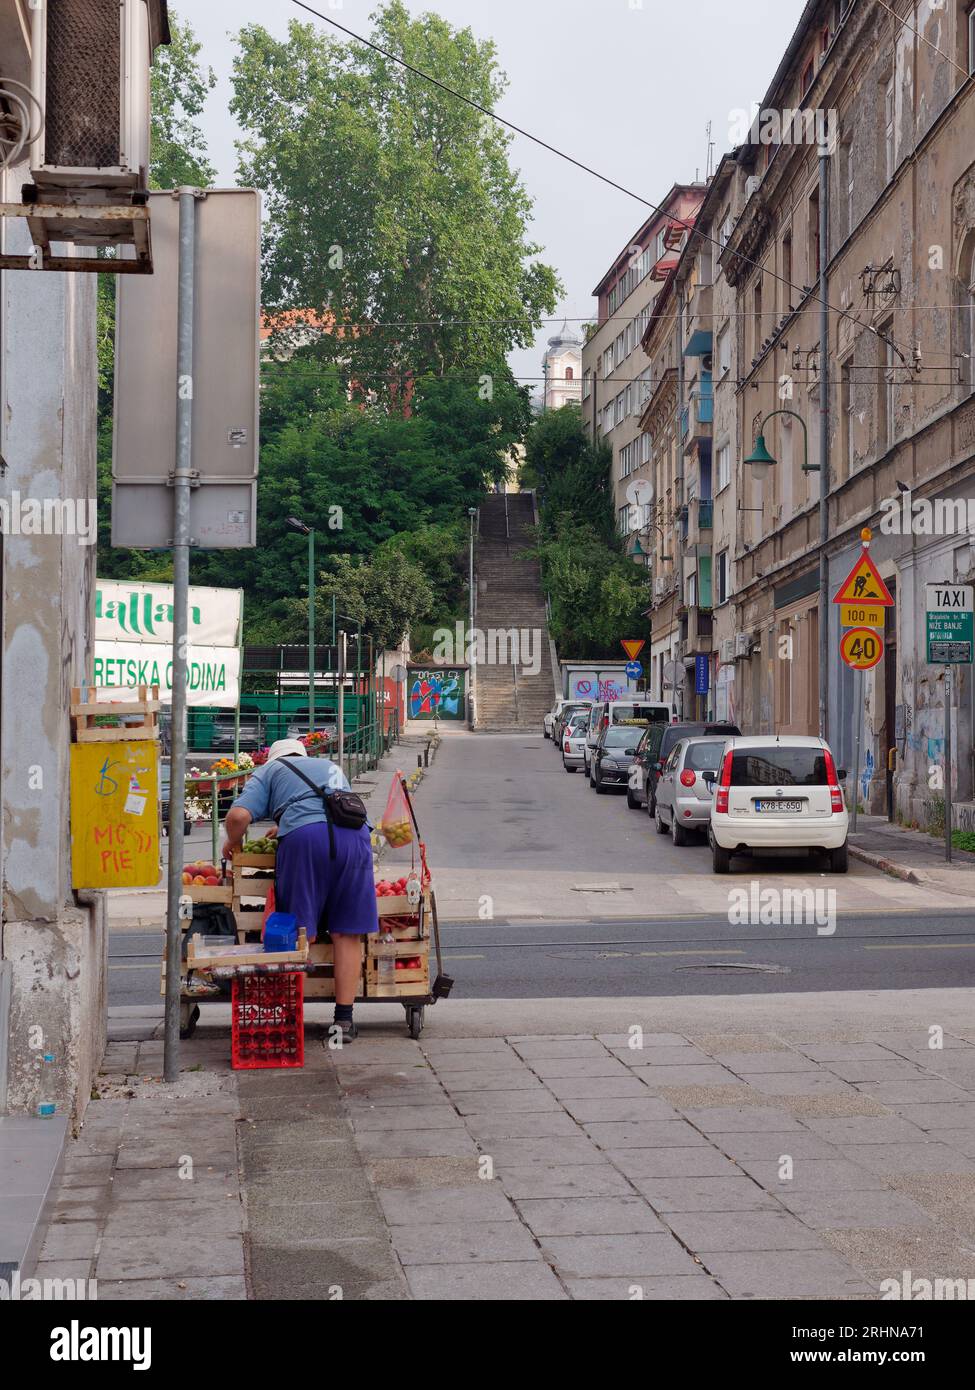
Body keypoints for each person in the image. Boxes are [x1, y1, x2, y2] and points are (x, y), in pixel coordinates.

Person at [222, 738, 378, 1042]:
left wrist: (231, 842)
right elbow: (327, 808)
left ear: (273, 758)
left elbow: (238, 817)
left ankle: (290, 1019)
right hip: (355, 839)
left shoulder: (270, 770)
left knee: (298, 930)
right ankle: (343, 1021)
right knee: (347, 933)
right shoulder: (329, 766)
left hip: (305, 844)